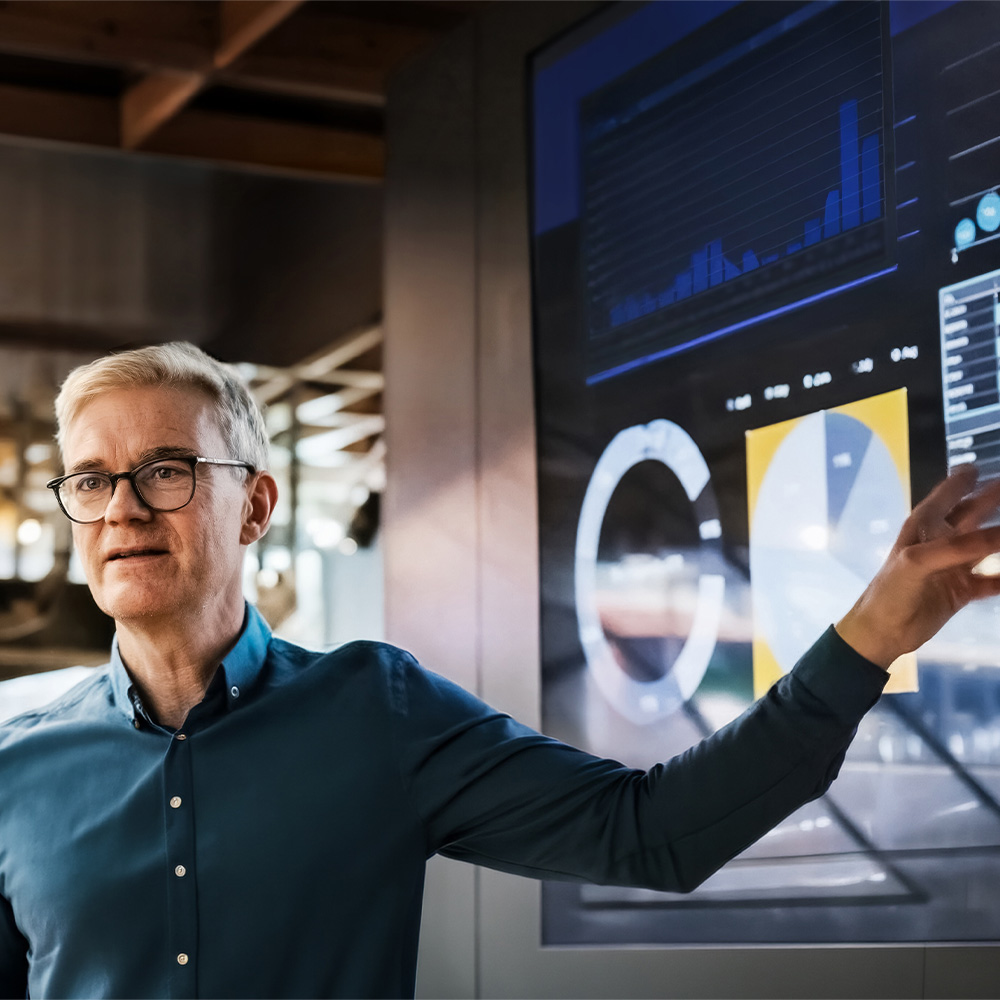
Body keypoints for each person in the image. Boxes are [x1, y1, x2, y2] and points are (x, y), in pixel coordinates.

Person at [2, 342, 1000, 1000]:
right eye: (91, 480)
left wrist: (868, 635)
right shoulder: (17, 777)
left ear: (255, 506)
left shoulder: (373, 714)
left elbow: (647, 833)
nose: (123, 507)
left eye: (165, 470)